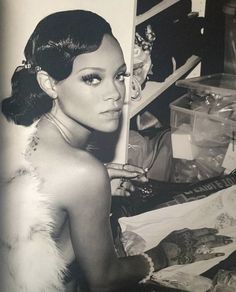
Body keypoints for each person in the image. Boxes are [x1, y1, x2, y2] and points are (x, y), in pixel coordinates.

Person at [0, 9, 232, 292]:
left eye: (120, 75)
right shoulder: (82, 171)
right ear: (49, 84)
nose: (116, 93)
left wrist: (91, 194)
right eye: (92, 78)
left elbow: (39, 253)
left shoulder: (25, 134)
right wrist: (164, 254)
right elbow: (105, 280)